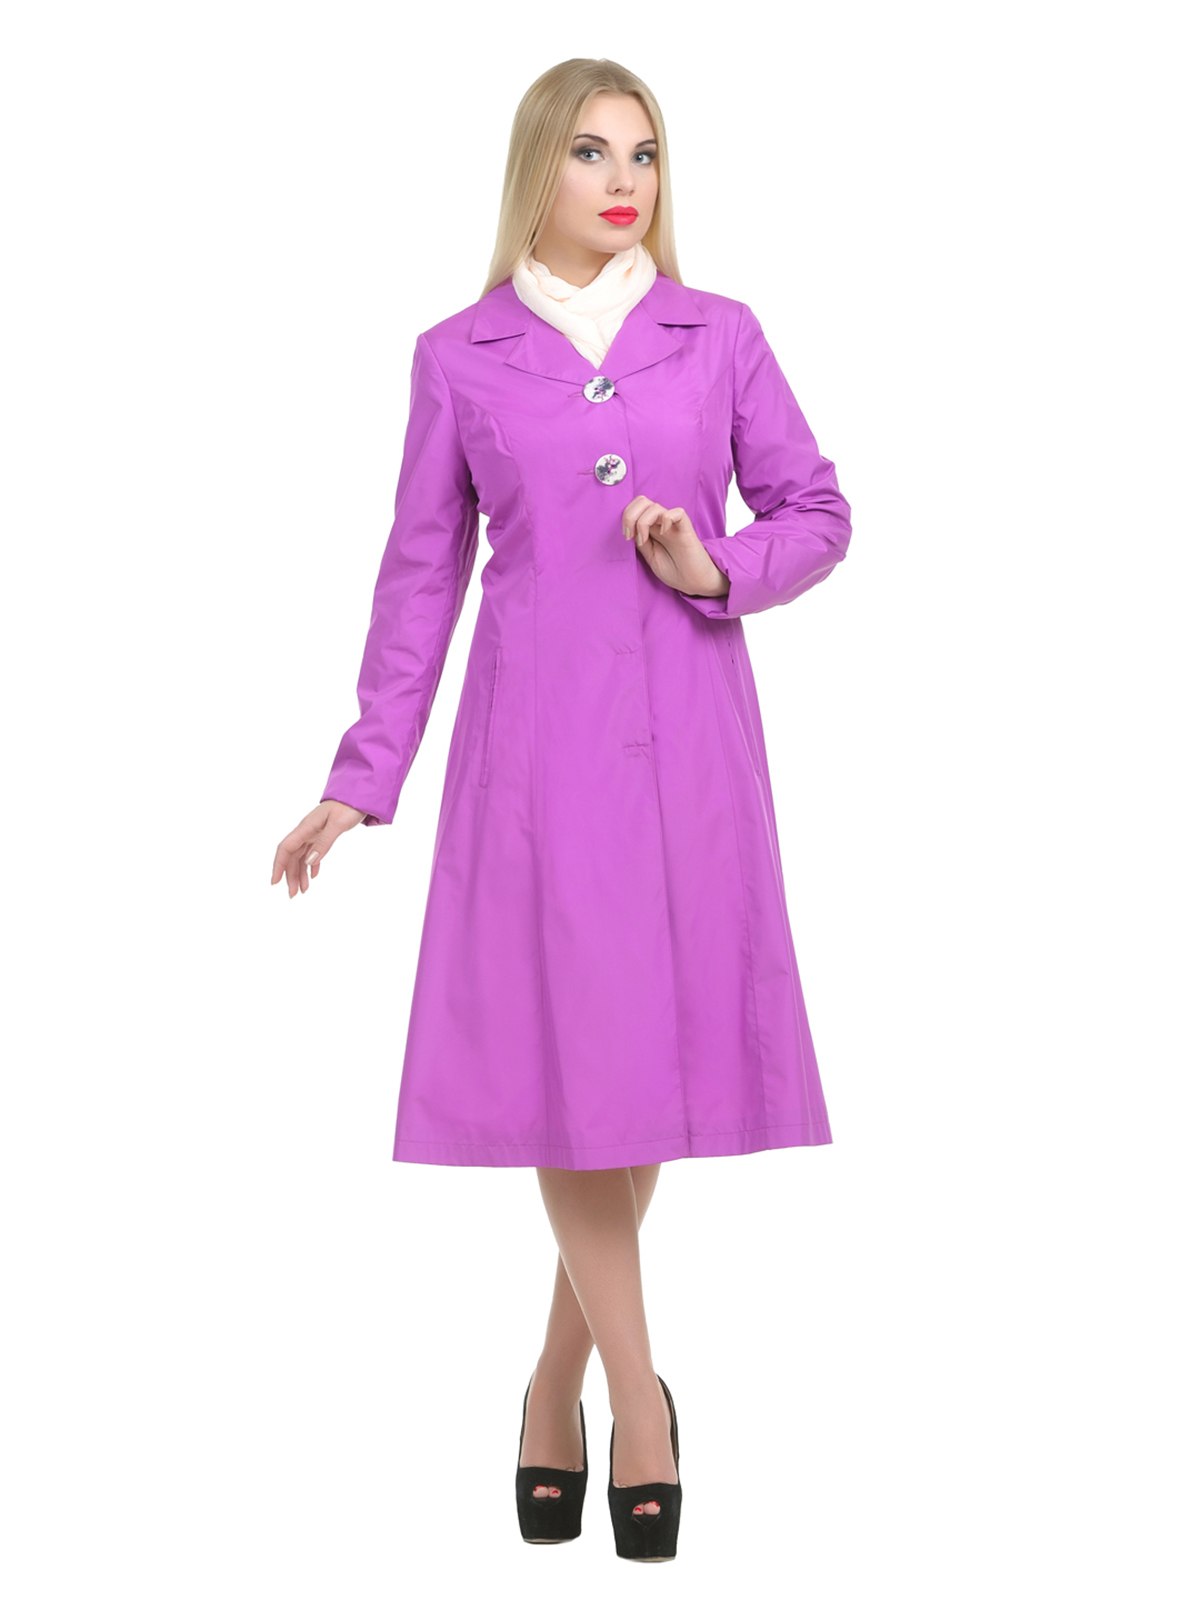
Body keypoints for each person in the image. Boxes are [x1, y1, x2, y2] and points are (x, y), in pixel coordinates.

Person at [271, 57, 852, 1562]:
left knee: (641, 1069)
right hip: (536, 760)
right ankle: (638, 1408)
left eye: (644, 154)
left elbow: (817, 510)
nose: (623, 181)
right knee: (582, 1068)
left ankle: (551, 1386)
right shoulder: (458, 356)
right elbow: (419, 574)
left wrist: (715, 566)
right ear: (539, 166)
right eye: (592, 152)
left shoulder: (719, 335)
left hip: (692, 747)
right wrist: (360, 774)